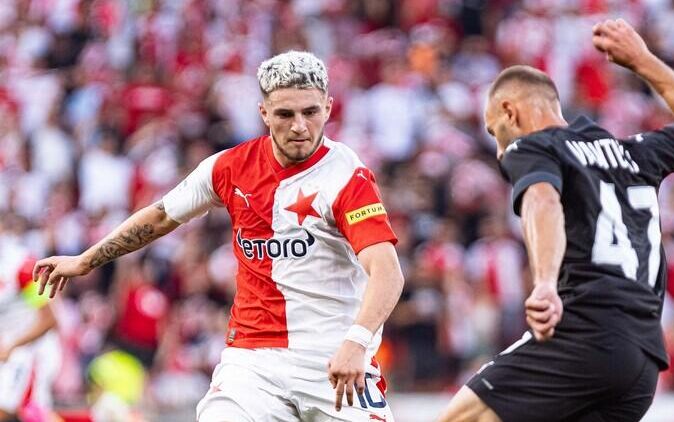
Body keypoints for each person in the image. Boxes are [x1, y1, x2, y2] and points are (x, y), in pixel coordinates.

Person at [33, 51, 404, 422]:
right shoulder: (230, 167)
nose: (299, 127)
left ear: (328, 107)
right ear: (263, 113)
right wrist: (85, 260)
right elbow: (161, 216)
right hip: (253, 361)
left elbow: (387, 272)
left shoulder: (347, 176)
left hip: (335, 355)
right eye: (285, 114)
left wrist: (357, 342)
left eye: (310, 112)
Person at [439, 19, 674, 422]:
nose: (500, 151)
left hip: (584, 336)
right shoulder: (635, 153)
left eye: (494, 131)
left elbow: (543, 199)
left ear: (509, 111)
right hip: (642, 362)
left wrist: (544, 283)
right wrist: (642, 60)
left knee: (459, 419)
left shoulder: (533, 146)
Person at [0, 229, 60, 422]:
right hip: (6, 351)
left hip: (29, 352)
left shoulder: (21, 266)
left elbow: (49, 319)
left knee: (29, 413)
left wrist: (13, 345)